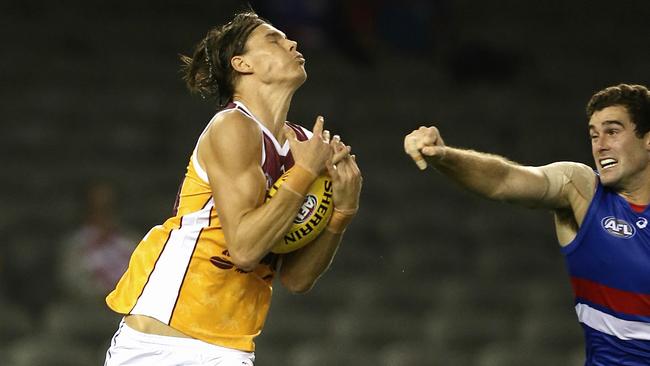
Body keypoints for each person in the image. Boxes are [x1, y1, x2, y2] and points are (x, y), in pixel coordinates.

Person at [104, 10, 362, 366]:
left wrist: (342, 214)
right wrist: (303, 173)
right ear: (241, 64)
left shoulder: (304, 143)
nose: (292, 42)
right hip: (167, 338)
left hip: (231, 344)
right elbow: (243, 248)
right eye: (274, 38)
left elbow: (297, 279)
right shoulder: (232, 127)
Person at [404, 83, 650, 364]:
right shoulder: (582, 190)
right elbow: (504, 180)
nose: (600, 145)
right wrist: (446, 156)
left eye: (613, 132)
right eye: (594, 135)